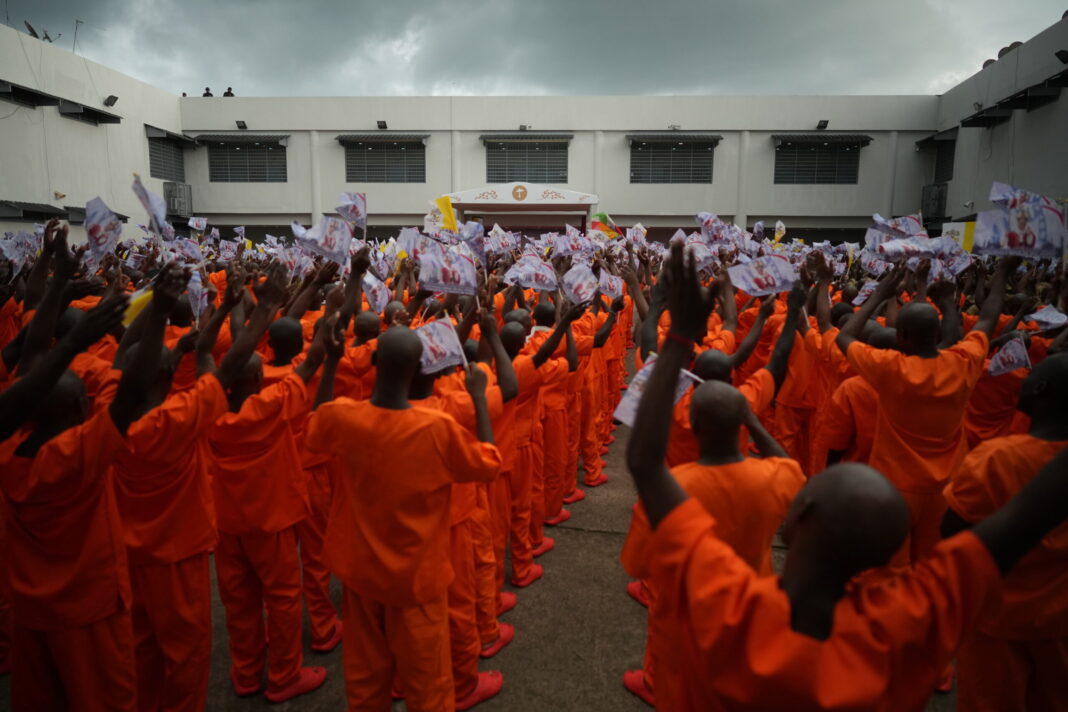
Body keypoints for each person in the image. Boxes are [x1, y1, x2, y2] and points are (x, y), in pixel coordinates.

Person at [625, 242, 1068, 711]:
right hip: (940, 494)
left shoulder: (728, 606)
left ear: (800, 513)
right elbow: (1020, 522)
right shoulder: (910, 626)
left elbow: (645, 464)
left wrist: (676, 339)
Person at [0, 258, 183, 711]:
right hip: (90, 611)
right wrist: (158, 311)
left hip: (31, 611)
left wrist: (58, 283)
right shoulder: (79, 457)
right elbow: (133, 393)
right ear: (75, 414)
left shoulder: (9, 452)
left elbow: (31, 361)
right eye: (85, 402)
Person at [306, 326, 502, 711]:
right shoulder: (437, 429)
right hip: (417, 581)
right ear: (423, 371)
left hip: (360, 577)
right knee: (429, 687)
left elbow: (317, 423)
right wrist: (478, 398)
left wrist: (331, 363)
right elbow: (489, 465)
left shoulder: (345, 418)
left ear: (375, 364)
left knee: (364, 682)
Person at [621, 376, 804, 707]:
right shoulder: (775, 478)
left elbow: (638, 563)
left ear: (693, 424)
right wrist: (752, 420)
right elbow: (791, 466)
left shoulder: (670, 490)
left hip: (683, 614)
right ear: (742, 424)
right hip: (750, 603)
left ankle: (653, 683)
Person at [834, 257, 1015, 566]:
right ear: (935, 335)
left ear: (900, 336)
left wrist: (879, 294)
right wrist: (1000, 273)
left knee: (890, 568)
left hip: (893, 486)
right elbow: (987, 318)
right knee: (932, 567)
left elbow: (844, 336)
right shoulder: (962, 363)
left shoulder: (891, 369)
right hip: (945, 488)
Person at [208, 264, 330, 703]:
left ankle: (244, 674)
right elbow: (315, 358)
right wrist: (325, 296)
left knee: (238, 602)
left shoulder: (206, 414)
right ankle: (283, 675)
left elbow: (216, 353)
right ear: (257, 380)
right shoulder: (273, 406)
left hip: (226, 525)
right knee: (281, 598)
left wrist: (234, 304)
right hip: (273, 521)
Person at [942, 353, 1068, 711]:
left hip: (997, 616)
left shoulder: (997, 459)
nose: (1020, 376)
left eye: (1030, 375)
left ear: (1041, 389)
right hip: (1060, 620)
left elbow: (952, 530)